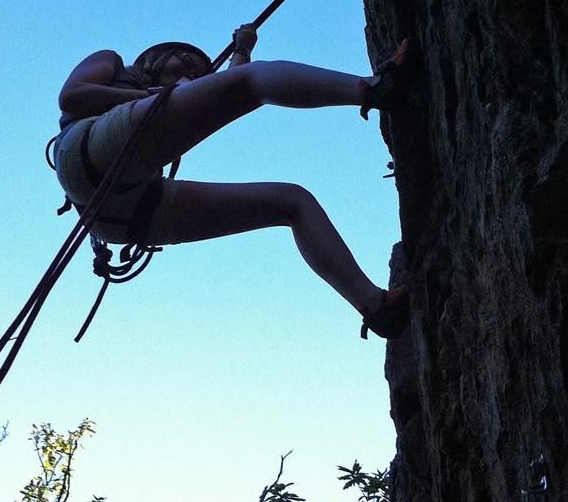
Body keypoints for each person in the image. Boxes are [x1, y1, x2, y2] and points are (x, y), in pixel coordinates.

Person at [52, 25, 413, 339]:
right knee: (254, 80)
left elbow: (224, 89)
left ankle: (376, 307)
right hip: (83, 150)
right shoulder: (113, 63)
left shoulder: (159, 105)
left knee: (292, 203)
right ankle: (374, 88)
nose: (192, 76)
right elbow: (73, 95)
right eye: (185, 62)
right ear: (153, 59)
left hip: (123, 214)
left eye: (197, 75)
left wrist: (242, 50)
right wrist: (150, 96)